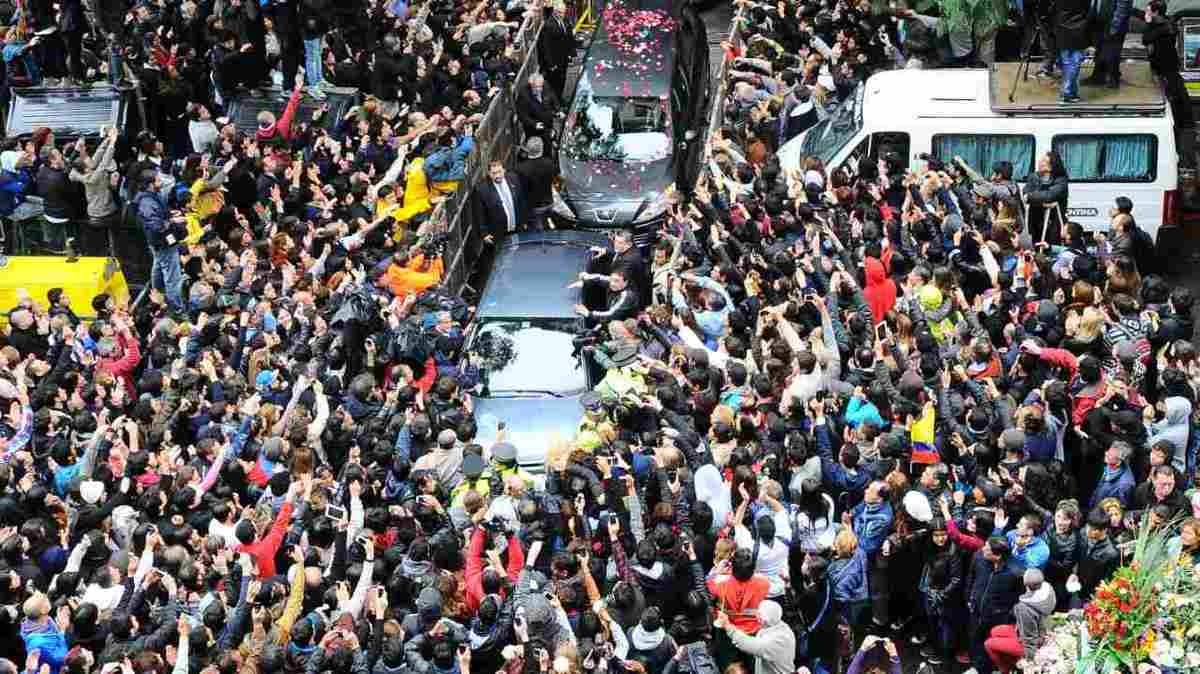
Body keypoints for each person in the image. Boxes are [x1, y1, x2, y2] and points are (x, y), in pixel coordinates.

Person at [1144, 0, 1197, 165]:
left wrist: (1148, 24)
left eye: (1148, 11)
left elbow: (1146, 39)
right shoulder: (1166, 23)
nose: (1145, 14)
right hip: (1169, 72)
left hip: (1167, 73)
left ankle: (1185, 159)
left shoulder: (1162, 28)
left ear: (1155, 13)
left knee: (1178, 111)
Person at [133, 168, 185, 315]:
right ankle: (177, 309)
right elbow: (156, 225)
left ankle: (157, 293)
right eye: (157, 179)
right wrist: (172, 221)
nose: (160, 181)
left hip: (158, 241)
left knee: (159, 265)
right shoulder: (146, 203)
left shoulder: (151, 196)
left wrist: (169, 216)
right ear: (150, 184)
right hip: (162, 241)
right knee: (173, 276)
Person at [474, 160, 527, 245]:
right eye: (494, 173)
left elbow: (521, 201)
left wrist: (524, 221)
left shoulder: (514, 179)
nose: (497, 176)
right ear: (489, 173)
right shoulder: (482, 190)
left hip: (518, 229)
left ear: (504, 170)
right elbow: (479, 214)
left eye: (499, 172)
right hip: (498, 234)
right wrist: (484, 234)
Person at [1025, 150, 1068, 245]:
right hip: (1036, 220)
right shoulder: (1033, 177)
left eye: (1043, 161)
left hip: (1054, 222)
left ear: (1051, 166)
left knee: (1052, 248)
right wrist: (1042, 202)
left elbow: (1050, 195)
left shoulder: (1061, 180)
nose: (1039, 162)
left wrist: (1032, 196)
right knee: (1037, 248)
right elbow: (1026, 193)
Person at [514, 137, 556, 231]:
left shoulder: (521, 169)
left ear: (527, 150)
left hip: (534, 207)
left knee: (538, 232)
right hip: (549, 202)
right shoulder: (549, 163)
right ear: (541, 149)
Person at [1054, 0, 1092, 102]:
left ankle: (1071, 92)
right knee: (1074, 62)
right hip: (1079, 28)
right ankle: (1068, 92)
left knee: (1067, 61)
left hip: (1062, 27)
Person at [515, 73, 562, 146]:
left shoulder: (545, 85)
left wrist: (558, 110)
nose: (539, 89)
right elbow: (521, 114)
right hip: (534, 129)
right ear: (531, 85)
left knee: (548, 143)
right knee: (537, 147)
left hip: (547, 122)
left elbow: (553, 97)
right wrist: (533, 124)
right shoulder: (523, 95)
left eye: (541, 86)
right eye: (536, 87)